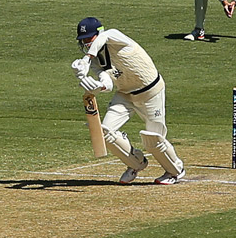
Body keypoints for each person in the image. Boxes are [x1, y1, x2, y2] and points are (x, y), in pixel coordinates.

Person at [71, 17, 185, 184]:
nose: (87, 43)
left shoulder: (114, 36)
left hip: (150, 92)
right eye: (83, 41)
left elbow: (105, 37)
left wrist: (87, 58)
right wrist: (98, 86)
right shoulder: (96, 60)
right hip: (125, 94)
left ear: (98, 33)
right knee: (104, 132)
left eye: (89, 39)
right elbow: (108, 82)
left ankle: (175, 170)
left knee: (153, 139)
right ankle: (136, 163)